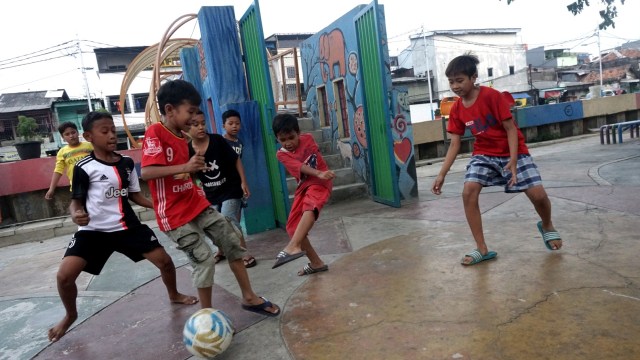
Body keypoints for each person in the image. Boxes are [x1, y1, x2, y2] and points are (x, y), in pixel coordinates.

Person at [47, 111, 197, 343]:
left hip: (127, 227)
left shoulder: (127, 164)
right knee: (64, 277)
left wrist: (158, 206)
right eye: (104, 131)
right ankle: (70, 315)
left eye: (112, 130)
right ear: (89, 136)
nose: (111, 135)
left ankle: (174, 294)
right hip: (93, 231)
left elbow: (135, 196)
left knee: (165, 262)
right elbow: (75, 201)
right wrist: (76, 214)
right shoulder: (83, 167)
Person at [140, 79, 279, 315]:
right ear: (170, 110)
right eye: (190, 112)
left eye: (196, 112)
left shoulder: (184, 138)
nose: (194, 118)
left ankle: (249, 297)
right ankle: (208, 318)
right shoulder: (156, 132)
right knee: (203, 260)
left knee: (231, 242)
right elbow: (147, 172)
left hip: (196, 203)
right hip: (174, 216)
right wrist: (186, 165)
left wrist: (192, 171)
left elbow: (183, 173)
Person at [430, 54, 563, 266]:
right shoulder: (456, 109)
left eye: (460, 80)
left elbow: (510, 129)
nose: (455, 86)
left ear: (473, 78)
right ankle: (482, 248)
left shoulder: (492, 97)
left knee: (538, 195)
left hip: (515, 151)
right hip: (484, 154)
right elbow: (454, 143)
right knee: (468, 191)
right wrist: (441, 174)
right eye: (451, 81)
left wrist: (512, 160)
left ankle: (547, 224)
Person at [188, 109, 256, 268]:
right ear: (186, 129)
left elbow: (236, 160)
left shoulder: (217, 140)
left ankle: (243, 252)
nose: (200, 127)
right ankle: (221, 250)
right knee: (213, 224)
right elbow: (191, 175)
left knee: (228, 218)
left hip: (230, 188)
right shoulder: (187, 150)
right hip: (210, 193)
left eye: (203, 123)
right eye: (195, 124)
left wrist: (243, 182)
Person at [271, 113, 335, 276]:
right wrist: (317, 173)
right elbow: (300, 167)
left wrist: (319, 174)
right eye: (283, 140)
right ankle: (316, 263)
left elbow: (311, 161)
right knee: (292, 227)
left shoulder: (308, 139)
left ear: (298, 133)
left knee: (310, 204)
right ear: (277, 139)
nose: (288, 143)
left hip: (320, 182)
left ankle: (293, 246)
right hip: (305, 184)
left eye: (291, 137)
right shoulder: (281, 154)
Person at [45, 121, 93, 200]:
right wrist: (51, 189)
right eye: (67, 134)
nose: (71, 136)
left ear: (78, 132)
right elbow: (58, 170)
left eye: (73, 132)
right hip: (77, 187)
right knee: (81, 210)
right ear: (62, 137)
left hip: (95, 182)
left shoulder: (90, 146)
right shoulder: (62, 152)